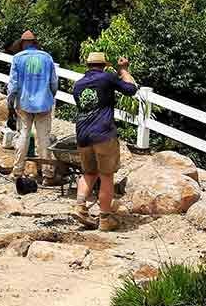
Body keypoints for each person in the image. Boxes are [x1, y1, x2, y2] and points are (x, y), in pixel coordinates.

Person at [73, 51, 137, 231]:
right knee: (106, 176)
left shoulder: (78, 85)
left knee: (89, 173)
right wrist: (123, 70)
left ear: (88, 66)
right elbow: (131, 89)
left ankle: (80, 207)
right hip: (103, 133)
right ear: (103, 66)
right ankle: (105, 219)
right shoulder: (107, 78)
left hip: (83, 134)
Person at [7, 30, 58, 182]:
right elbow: (54, 83)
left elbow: (13, 85)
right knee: (44, 138)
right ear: (35, 43)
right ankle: (47, 175)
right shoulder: (47, 58)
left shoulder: (18, 58)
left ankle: (17, 171)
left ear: (23, 44)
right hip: (44, 103)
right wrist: (50, 96)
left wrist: (10, 102)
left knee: (23, 134)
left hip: (24, 103)